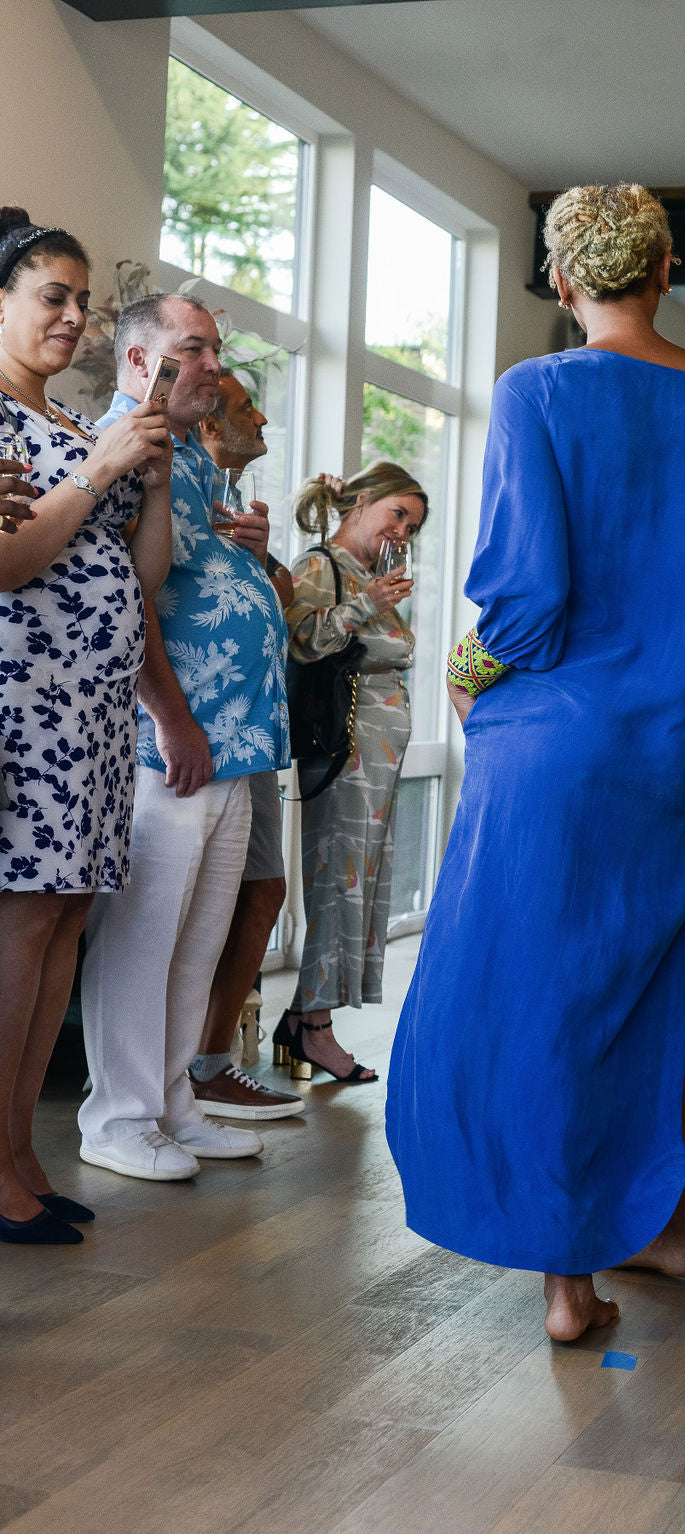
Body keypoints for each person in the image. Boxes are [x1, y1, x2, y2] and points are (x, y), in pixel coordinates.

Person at [386, 182, 685, 1343]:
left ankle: (569, 1286)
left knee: (542, 997)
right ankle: (674, 1226)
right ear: (666, 272)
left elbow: (527, 596)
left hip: (550, 751)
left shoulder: (538, 391)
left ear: (561, 284)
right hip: (670, 755)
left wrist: (464, 675)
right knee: (659, 985)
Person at [78, 294, 290, 1181]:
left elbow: (200, 574)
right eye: (193, 349)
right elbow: (128, 597)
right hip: (171, 738)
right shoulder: (122, 442)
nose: (212, 365)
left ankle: (171, 1099)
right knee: (146, 934)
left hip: (230, 740)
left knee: (197, 937)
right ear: (141, 362)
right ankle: (118, 1115)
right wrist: (169, 715)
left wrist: (253, 548)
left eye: (213, 349)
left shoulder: (196, 459)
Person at [0, 209, 172, 1240]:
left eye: (81, 300)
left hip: (93, 710)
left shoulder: (67, 423)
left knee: (63, 921)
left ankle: (23, 1148)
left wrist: (142, 479)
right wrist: (99, 472)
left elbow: (140, 576)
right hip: (25, 704)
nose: (72, 316)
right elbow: (10, 566)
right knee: (22, 927)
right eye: (49, 297)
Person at [275, 463, 425, 1082]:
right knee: (340, 879)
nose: (403, 530)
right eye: (397, 514)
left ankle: (310, 1016)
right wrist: (368, 604)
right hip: (347, 746)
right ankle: (312, 1027)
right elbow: (303, 642)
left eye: (412, 525)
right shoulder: (321, 565)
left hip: (378, 749)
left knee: (362, 878)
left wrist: (374, 599)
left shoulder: (369, 576)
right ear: (359, 503)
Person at [183, 371, 302, 1120]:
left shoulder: (233, 505)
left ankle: (206, 1061)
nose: (261, 416)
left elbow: (280, 600)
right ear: (208, 427)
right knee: (207, 899)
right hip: (200, 729)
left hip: (251, 729)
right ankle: (186, 1070)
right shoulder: (179, 487)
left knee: (263, 888)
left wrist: (262, 558)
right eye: (246, 407)